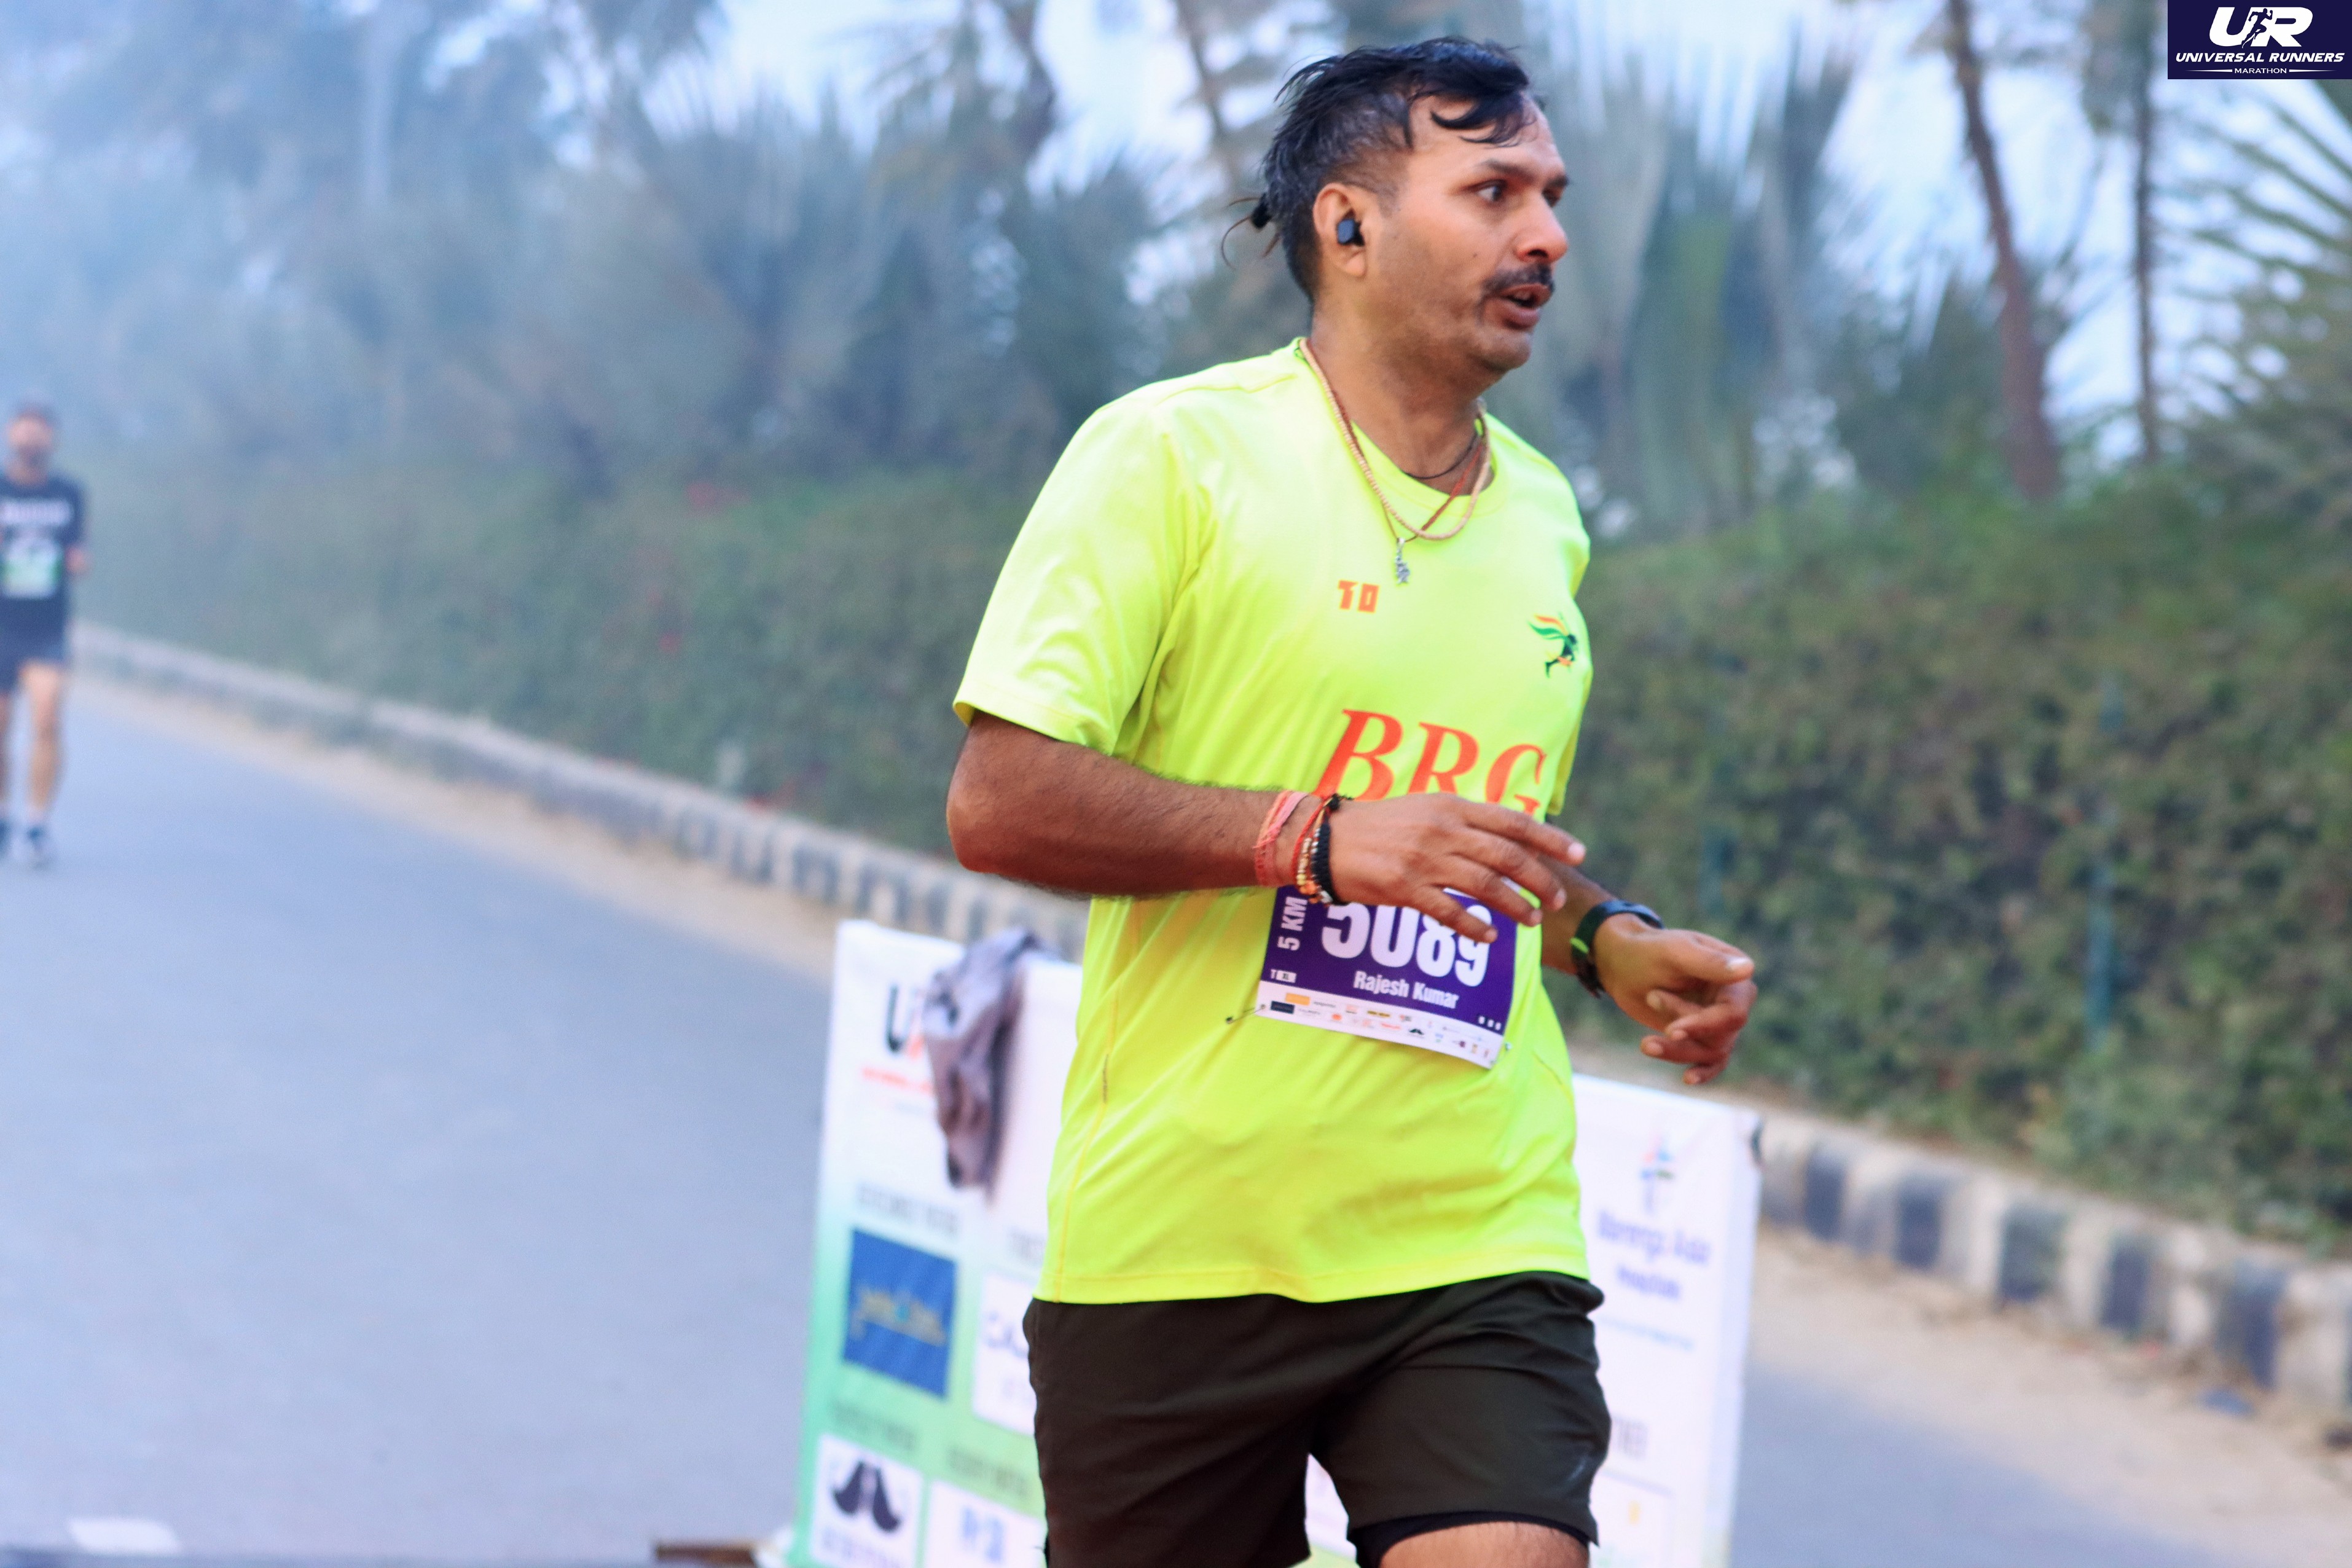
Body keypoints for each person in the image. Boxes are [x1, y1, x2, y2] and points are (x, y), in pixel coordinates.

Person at [945, 37, 1758, 1568]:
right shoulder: (1170, 455)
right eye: (1493, 191)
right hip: (1182, 1238)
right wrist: (1308, 839)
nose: (1546, 234)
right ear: (1349, 225)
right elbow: (999, 800)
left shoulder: (1545, 515)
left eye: (1552, 196)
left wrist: (1605, 939)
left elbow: (1461, 845)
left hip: (1472, 1226)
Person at [0, 401, 89, 868]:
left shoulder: (69, 492)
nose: (31, 440)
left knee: (49, 718)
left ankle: (37, 822)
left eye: (39, 432)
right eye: (24, 431)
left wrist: (76, 560)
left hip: (47, 626)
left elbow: (79, 551)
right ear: (11, 435)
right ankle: (3, 815)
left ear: (51, 440)